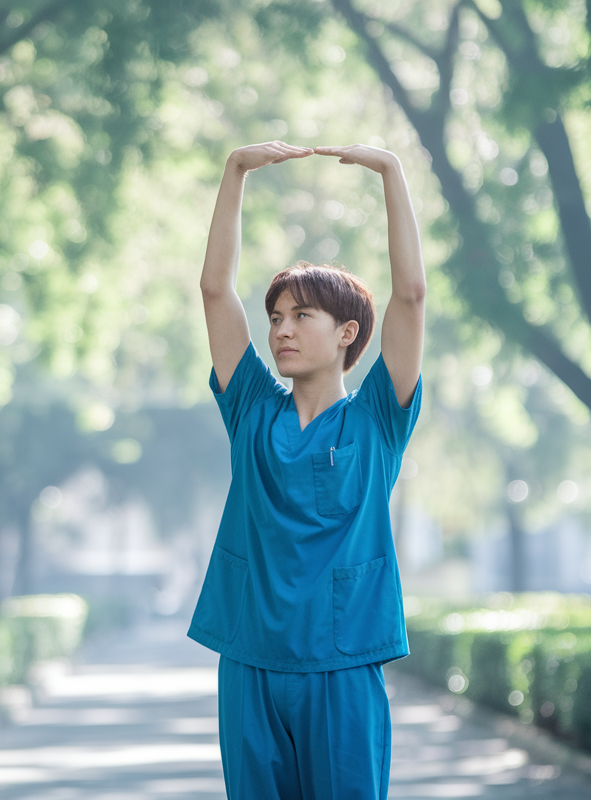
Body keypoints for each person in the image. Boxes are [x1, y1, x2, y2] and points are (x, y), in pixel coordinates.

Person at [189, 140, 425, 799]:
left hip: (342, 665)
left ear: (348, 332)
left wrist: (391, 173)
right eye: (274, 318)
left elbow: (410, 295)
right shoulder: (252, 412)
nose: (280, 330)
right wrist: (233, 171)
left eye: (301, 316)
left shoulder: (377, 418)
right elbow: (214, 290)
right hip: (251, 662)